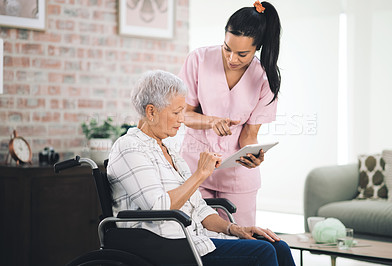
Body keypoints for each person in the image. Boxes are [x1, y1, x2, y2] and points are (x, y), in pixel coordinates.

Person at [107, 70, 295, 265]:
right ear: (151, 112)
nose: (182, 119)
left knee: (277, 245)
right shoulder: (129, 147)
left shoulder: (169, 150)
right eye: (176, 112)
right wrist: (200, 174)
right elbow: (158, 207)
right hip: (165, 245)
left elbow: (200, 208)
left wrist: (235, 229)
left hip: (194, 241)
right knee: (262, 252)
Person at [178, 1, 281, 226]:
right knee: (196, 242)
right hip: (196, 169)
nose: (232, 59)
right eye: (227, 48)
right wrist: (211, 121)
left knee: (241, 244)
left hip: (238, 176)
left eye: (242, 54)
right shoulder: (198, 60)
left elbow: (248, 136)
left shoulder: (265, 80)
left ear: (258, 47)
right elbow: (183, 115)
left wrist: (254, 155)